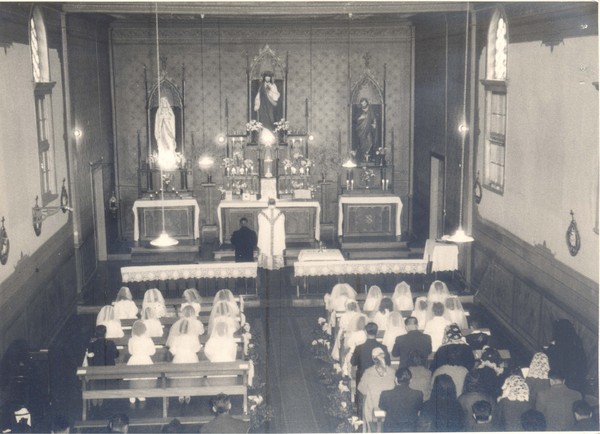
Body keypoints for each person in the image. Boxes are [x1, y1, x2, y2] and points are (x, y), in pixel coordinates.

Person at [545, 318, 587, 394]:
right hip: (577, 383)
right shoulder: (577, 342)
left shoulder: (558, 345)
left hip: (563, 382)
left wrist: (550, 347)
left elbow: (552, 363)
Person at [357, 347, 396, 431]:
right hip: (390, 410)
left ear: (373, 359)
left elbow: (361, 389)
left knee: (367, 400)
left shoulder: (368, 372)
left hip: (373, 410)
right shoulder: (393, 372)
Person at [378, 367, 423, 432]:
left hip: (391, 430)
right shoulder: (418, 394)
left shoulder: (385, 394)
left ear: (396, 380)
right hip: (410, 430)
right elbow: (419, 408)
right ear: (411, 380)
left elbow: (381, 406)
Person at [350, 322, 390, 388]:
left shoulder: (359, 348)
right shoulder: (383, 347)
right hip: (378, 378)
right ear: (377, 332)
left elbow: (353, 362)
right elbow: (388, 363)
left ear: (365, 332)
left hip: (362, 379)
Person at [127, 321, 156, 406]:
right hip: (145, 359)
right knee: (143, 377)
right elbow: (152, 352)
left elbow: (130, 351)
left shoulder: (131, 340)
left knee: (134, 378)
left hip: (134, 359)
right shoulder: (148, 340)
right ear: (144, 330)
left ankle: (132, 395)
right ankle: (141, 394)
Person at [257, 199, 286, 270]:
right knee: (277, 246)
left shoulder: (261, 214)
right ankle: (276, 264)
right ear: (275, 204)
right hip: (277, 238)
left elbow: (260, 227)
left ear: (268, 204)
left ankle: (266, 264)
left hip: (266, 238)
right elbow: (281, 229)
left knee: (265, 246)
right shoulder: (281, 214)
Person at [353, 97, 378, 162]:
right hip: (361, 130)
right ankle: (363, 158)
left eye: (364, 102)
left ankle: (368, 157)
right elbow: (355, 120)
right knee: (362, 143)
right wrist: (360, 118)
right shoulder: (359, 110)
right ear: (361, 103)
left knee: (370, 142)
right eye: (362, 103)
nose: (363, 104)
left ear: (366, 102)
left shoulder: (370, 110)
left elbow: (374, 118)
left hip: (369, 130)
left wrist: (374, 124)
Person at [154, 96, 177, 166]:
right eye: (162, 101)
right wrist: (161, 118)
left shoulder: (169, 111)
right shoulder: (159, 111)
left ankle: (171, 159)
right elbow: (157, 121)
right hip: (161, 129)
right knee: (161, 143)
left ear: (167, 102)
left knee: (169, 142)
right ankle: (162, 159)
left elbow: (172, 119)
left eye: (165, 101)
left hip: (169, 130)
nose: (164, 103)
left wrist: (167, 118)